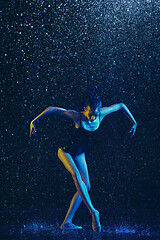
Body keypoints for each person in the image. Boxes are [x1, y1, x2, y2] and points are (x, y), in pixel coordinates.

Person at [30, 95, 137, 232]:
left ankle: (67, 222)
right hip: (65, 151)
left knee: (86, 186)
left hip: (80, 153)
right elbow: (52, 109)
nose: (92, 118)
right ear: (84, 110)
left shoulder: (101, 114)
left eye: (95, 115)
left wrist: (134, 122)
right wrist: (34, 121)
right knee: (76, 176)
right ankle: (93, 212)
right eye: (90, 115)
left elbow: (121, 105)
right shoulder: (76, 116)